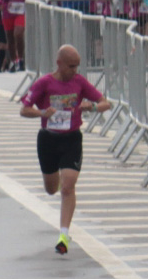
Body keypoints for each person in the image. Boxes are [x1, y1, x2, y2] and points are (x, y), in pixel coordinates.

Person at [21, 43, 111, 255]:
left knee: (68, 187)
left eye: (77, 66)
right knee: (51, 189)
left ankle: (63, 235)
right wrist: (42, 114)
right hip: (48, 140)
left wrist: (93, 107)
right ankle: (60, 178)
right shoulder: (44, 83)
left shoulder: (79, 82)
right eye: (71, 66)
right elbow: (24, 110)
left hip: (71, 139)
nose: (74, 71)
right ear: (59, 63)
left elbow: (105, 102)